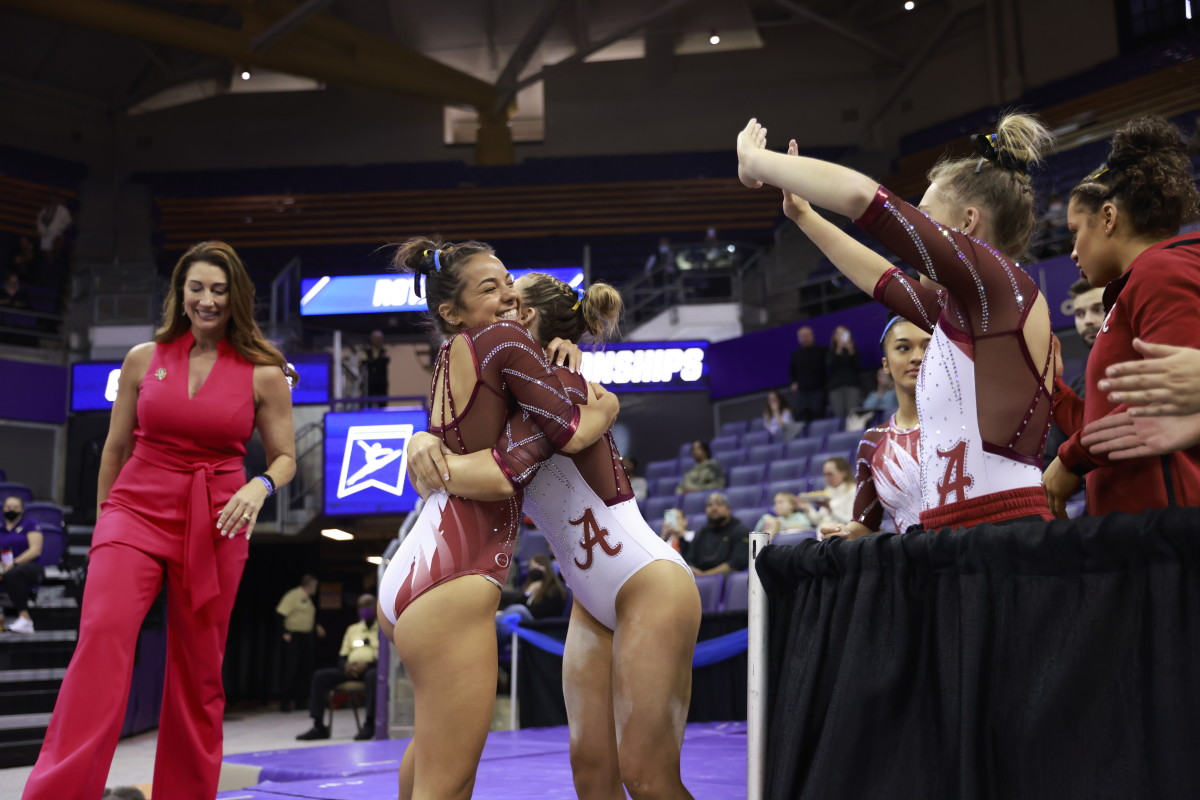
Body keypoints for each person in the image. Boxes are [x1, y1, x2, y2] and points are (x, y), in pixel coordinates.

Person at [405, 271, 701, 800]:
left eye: (509, 302)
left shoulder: (562, 390)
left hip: (647, 584)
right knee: (591, 773)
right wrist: (420, 438)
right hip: (591, 599)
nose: (496, 309)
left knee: (647, 778)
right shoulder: (521, 394)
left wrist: (428, 457)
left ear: (527, 320)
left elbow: (496, 473)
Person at [23, 240, 297, 800]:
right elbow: (114, 449)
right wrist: (105, 525)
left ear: (235, 297)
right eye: (196, 287)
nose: (206, 299)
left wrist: (259, 484)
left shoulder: (265, 373)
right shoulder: (143, 359)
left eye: (219, 290)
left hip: (218, 520)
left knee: (198, 672)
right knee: (101, 641)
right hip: (134, 511)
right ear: (180, 293)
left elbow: (285, 458)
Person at [376, 239, 619, 800]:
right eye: (489, 288)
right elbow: (571, 432)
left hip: (417, 564)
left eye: (508, 281)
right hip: (455, 574)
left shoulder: (451, 356)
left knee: (432, 753)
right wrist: (604, 404)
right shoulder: (505, 339)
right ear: (451, 311)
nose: (509, 295)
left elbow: (462, 442)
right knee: (450, 781)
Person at [745, 113, 1058, 530]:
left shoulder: (996, 287)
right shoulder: (969, 310)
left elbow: (862, 197)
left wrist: (755, 160)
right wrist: (804, 215)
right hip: (956, 533)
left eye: (925, 215)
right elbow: (881, 279)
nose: (919, 228)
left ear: (966, 223)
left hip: (1003, 533)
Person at [1044, 116, 1200, 516]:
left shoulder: (1158, 272)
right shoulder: (1135, 287)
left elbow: (1175, 399)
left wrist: (1070, 459)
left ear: (1109, 218)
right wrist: (1052, 390)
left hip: (1170, 533)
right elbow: (1106, 418)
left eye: (1074, 232)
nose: (1073, 252)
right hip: (1139, 529)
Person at [822, 318, 929, 539]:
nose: (918, 357)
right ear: (886, 364)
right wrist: (843, 534)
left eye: (929, 347)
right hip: (916, 569)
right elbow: (865, 523)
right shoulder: (873, 443)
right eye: (903, 348)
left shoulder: (973, 424)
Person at [296, 593, 380, 742]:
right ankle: (319, 726)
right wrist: (346, 667)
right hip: (351, 670)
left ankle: (369, 724)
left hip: (372, 669)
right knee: (320, 676)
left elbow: (388, 660)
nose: (364, 609)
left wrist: (367, 665)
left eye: (367, 605)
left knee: (373, 677)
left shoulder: (383, 629)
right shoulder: (352, 629)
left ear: (376, 606)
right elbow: (342, 656)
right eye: (360, 606)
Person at [1043, 278, 1105, 470]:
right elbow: (1051, 455)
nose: (1088, 320)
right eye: (1079, 313)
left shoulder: (1144, 365)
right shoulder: (1078, 387)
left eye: (1098, 309)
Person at [277, 573, 322, 713]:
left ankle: (301, 701)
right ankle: (285, 702)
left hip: (306, 637)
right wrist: (284, 632)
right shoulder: (293, 595)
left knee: (305, 669)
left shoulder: (308, 599)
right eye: (315, 585)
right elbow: (279, 614)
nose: (316, 588)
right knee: (292, 670)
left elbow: (305, 617)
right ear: (309, 585)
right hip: (294, 637)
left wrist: (316, 627)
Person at [0, 495, 44, 634]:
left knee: (13, 574)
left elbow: (35, 550)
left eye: (15, 507)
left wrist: (13, 563)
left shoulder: (29, 524)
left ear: (22, 510)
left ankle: (25, 619)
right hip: (5, 567)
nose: (11, 509)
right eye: (8, 507)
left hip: (30, 568)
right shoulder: (1, 527)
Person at [683, 493, 750, 576]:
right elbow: (689, 560)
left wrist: (705, 575)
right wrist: (694, 570)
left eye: (719, 504)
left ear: (728, 509)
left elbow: (736, 563)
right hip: (698, 579)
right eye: (709, 505)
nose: (714, 508)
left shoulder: (740, 531)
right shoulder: (700, 533)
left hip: (726, 580)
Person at [496, 553, 566, 626]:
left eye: (539, 565)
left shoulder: (553, 590)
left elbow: (538, 613)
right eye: (532, 566)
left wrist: (503, 613)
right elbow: (518, 602)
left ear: (547, 568)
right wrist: (528, 592)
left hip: (538, 624)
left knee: (519, 609)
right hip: (522, 621)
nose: (534, 569)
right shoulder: (529, 586)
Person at [788, 325, 826, 422]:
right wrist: (794, 382)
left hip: (818, 390)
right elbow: (792, 370)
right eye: (802, 336)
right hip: (802, 392)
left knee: (818, 417)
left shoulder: (821, 350)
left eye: (806, 336)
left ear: (812, 336)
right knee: (801, 417)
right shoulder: (796, 353)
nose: (805, 338)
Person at [826, 326, 863, 419]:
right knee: (839, 414)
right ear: (835, 337)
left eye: (843, 333)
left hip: (851, 385)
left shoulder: (853, 351)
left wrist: (850, 350)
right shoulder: (830, 352)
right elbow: (830, 365)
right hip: (836, 388)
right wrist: (838, 349)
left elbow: (857, 367)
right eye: (839, 334)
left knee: (853, 412)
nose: (841, 336)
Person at [35, 191, 71, 266]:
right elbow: (39, 222)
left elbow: (68, 221)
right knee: (48, 256)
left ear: (57, 198)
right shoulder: (44, 210)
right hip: (46, 235)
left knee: (58, 244)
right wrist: (41, 231)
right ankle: (51, 265)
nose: (52, 199)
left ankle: (57, 262)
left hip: (57, 234)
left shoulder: (63, 210)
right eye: (51, 197)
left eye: (54, 197)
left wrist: (60, 228)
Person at [361, 329, 390, 407]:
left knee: (382, 405)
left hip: (381, 384)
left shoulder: (385, 352)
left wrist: (373, 362)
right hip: (369, 384)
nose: (377, 341)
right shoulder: (366, 352)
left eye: (379, 338)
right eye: (375, 338)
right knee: (368, 405)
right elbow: (364, 363)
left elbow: (383, 362)